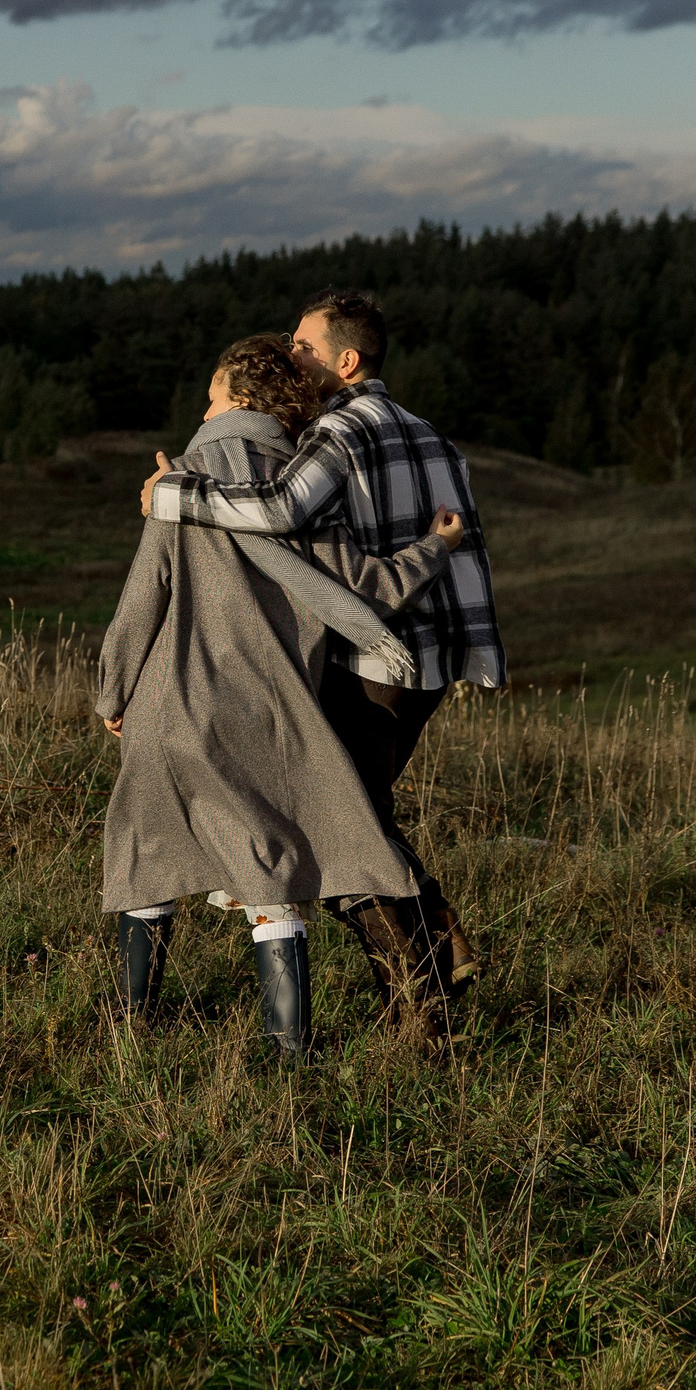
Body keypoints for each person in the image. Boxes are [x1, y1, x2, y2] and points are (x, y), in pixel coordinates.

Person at [139, 289, 504, 1041]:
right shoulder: (432, 435)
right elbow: (463, 545)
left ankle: (423, 1003)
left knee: (332, 826)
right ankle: (434, 951)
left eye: (304, 347)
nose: (292, 357)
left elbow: (278, 510)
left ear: (346, 359)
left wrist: (176, 493)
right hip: (433, 659)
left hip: (374, 654)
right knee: (359, 813)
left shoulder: (339, 431)